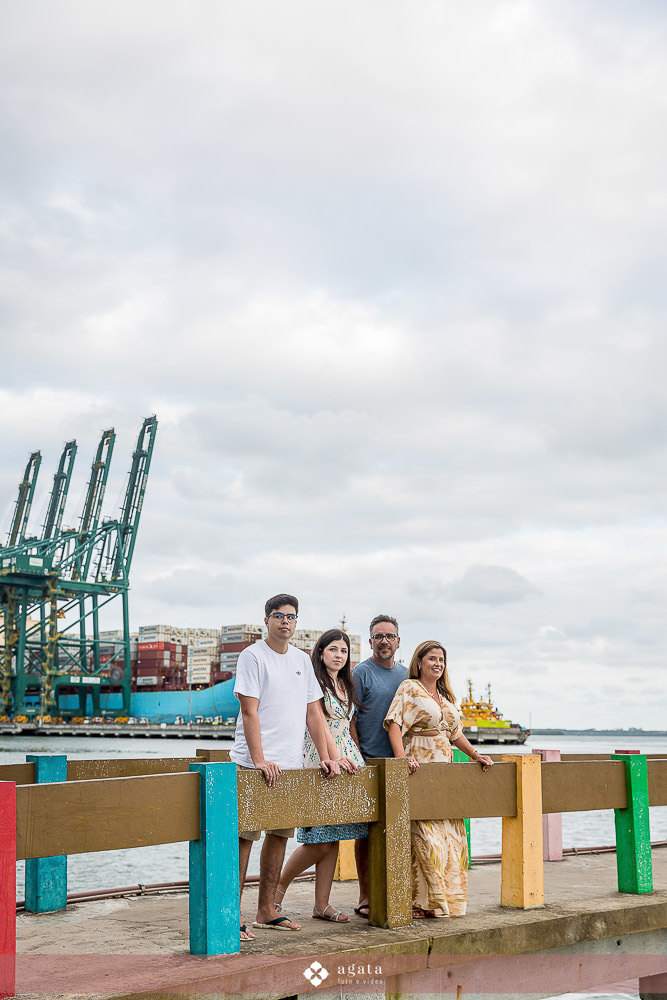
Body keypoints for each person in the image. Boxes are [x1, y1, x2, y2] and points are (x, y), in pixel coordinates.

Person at [230, 594, 341, 940]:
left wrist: (326, 756)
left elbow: (313, 713)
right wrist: (259, 760)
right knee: (243, 840)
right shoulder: (252, 656)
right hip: (252, 765)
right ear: (267, 621)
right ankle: (230, 915)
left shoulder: (302, 660)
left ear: (297, 622)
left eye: (291, 617)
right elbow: (249, 712)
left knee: (278, 837)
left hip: (290, 765)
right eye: (278, 616)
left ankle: (266, 910)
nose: (285, 622)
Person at [384, 640, 493, 918]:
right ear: (419, 662)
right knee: (425, 838)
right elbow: (394, 723)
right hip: (419, 769)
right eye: (432, 658)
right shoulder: (409, 688)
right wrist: (400, 757)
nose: (437, 664)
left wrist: (474, 754)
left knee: (451, 840)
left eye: (441, 660)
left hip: (444, 775)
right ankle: (420, 901)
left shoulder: (445, 697)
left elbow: (455, 735)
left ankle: (443, 902)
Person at [276, 628, 365, 922]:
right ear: (321, 652)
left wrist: (352, 757)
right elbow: (320, 725)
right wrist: (334, 757)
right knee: (319, 838)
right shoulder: (314, 682)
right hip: (320, 758)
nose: (339, 656)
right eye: (333, 650)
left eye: (343, 651)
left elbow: (346, 726)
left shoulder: (345, 684)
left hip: (348, 759)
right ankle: (275, 893)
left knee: (336, 836)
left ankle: (321, 905)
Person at [350, 613, 407, 918]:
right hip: (368, 763)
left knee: (399, 830)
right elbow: (350, 721)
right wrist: (358, 757)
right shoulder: (361, 673)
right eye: (378, 636)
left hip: (400, 765)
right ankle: (364, 895)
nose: (384, 641)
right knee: (366, 833)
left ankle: (398, 891)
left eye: (390, 636)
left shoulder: (407, 674)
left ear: (398, 641)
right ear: (370, 640)